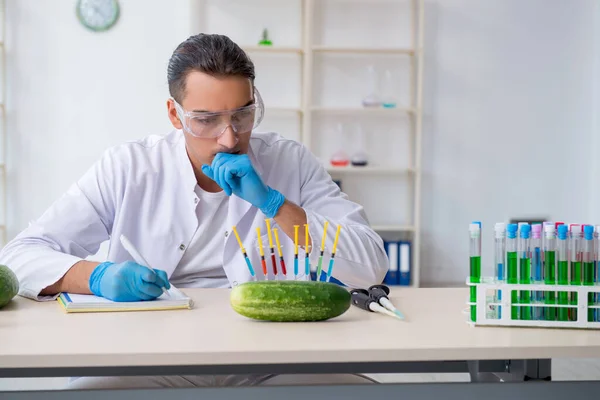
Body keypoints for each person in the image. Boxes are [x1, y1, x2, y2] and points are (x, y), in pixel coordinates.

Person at [0, 33, 388, 388]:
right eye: (206, 120)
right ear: (175, 114)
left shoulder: (289, 162)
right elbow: (20, 255)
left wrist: (274, 204)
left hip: (272, 359)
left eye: (242, 115)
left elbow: (369, 265)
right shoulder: (129, 167)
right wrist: (96, 276)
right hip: (146, 360)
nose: (230, 137)